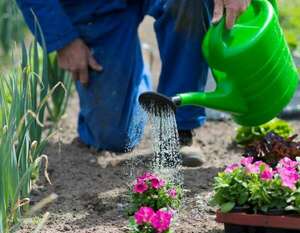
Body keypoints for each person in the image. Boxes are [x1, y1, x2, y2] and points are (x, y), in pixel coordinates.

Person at [16, 0, 251, 166]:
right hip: (92, 7)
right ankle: (137, 71)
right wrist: (63, 40)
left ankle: (178, 131)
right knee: (116, 139)